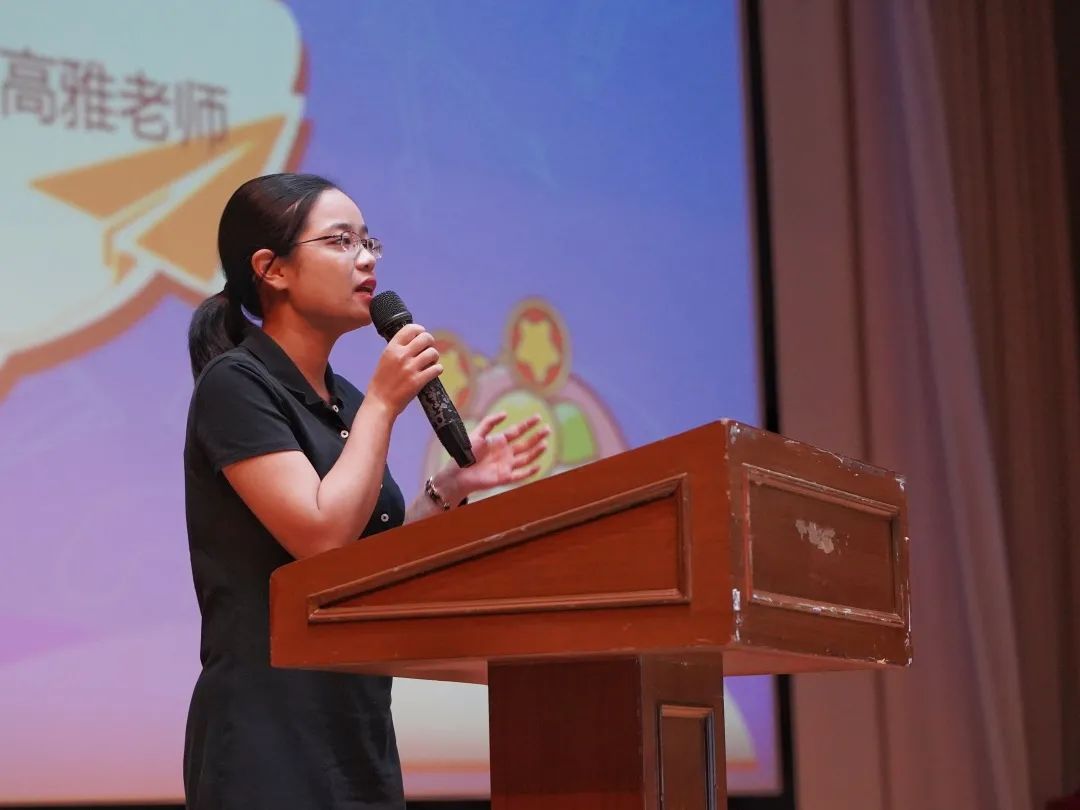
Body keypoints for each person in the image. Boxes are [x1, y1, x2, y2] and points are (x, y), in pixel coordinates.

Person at [182, 172, 548, 809]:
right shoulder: (236, 386)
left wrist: (447, 490)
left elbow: (365, 568)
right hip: (267, 736)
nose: (368, 258)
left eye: (369, 241)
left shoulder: (347, 399)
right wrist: (383, 402)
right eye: (341, 241)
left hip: (356, 725)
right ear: (272, 269)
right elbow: (321, 540)